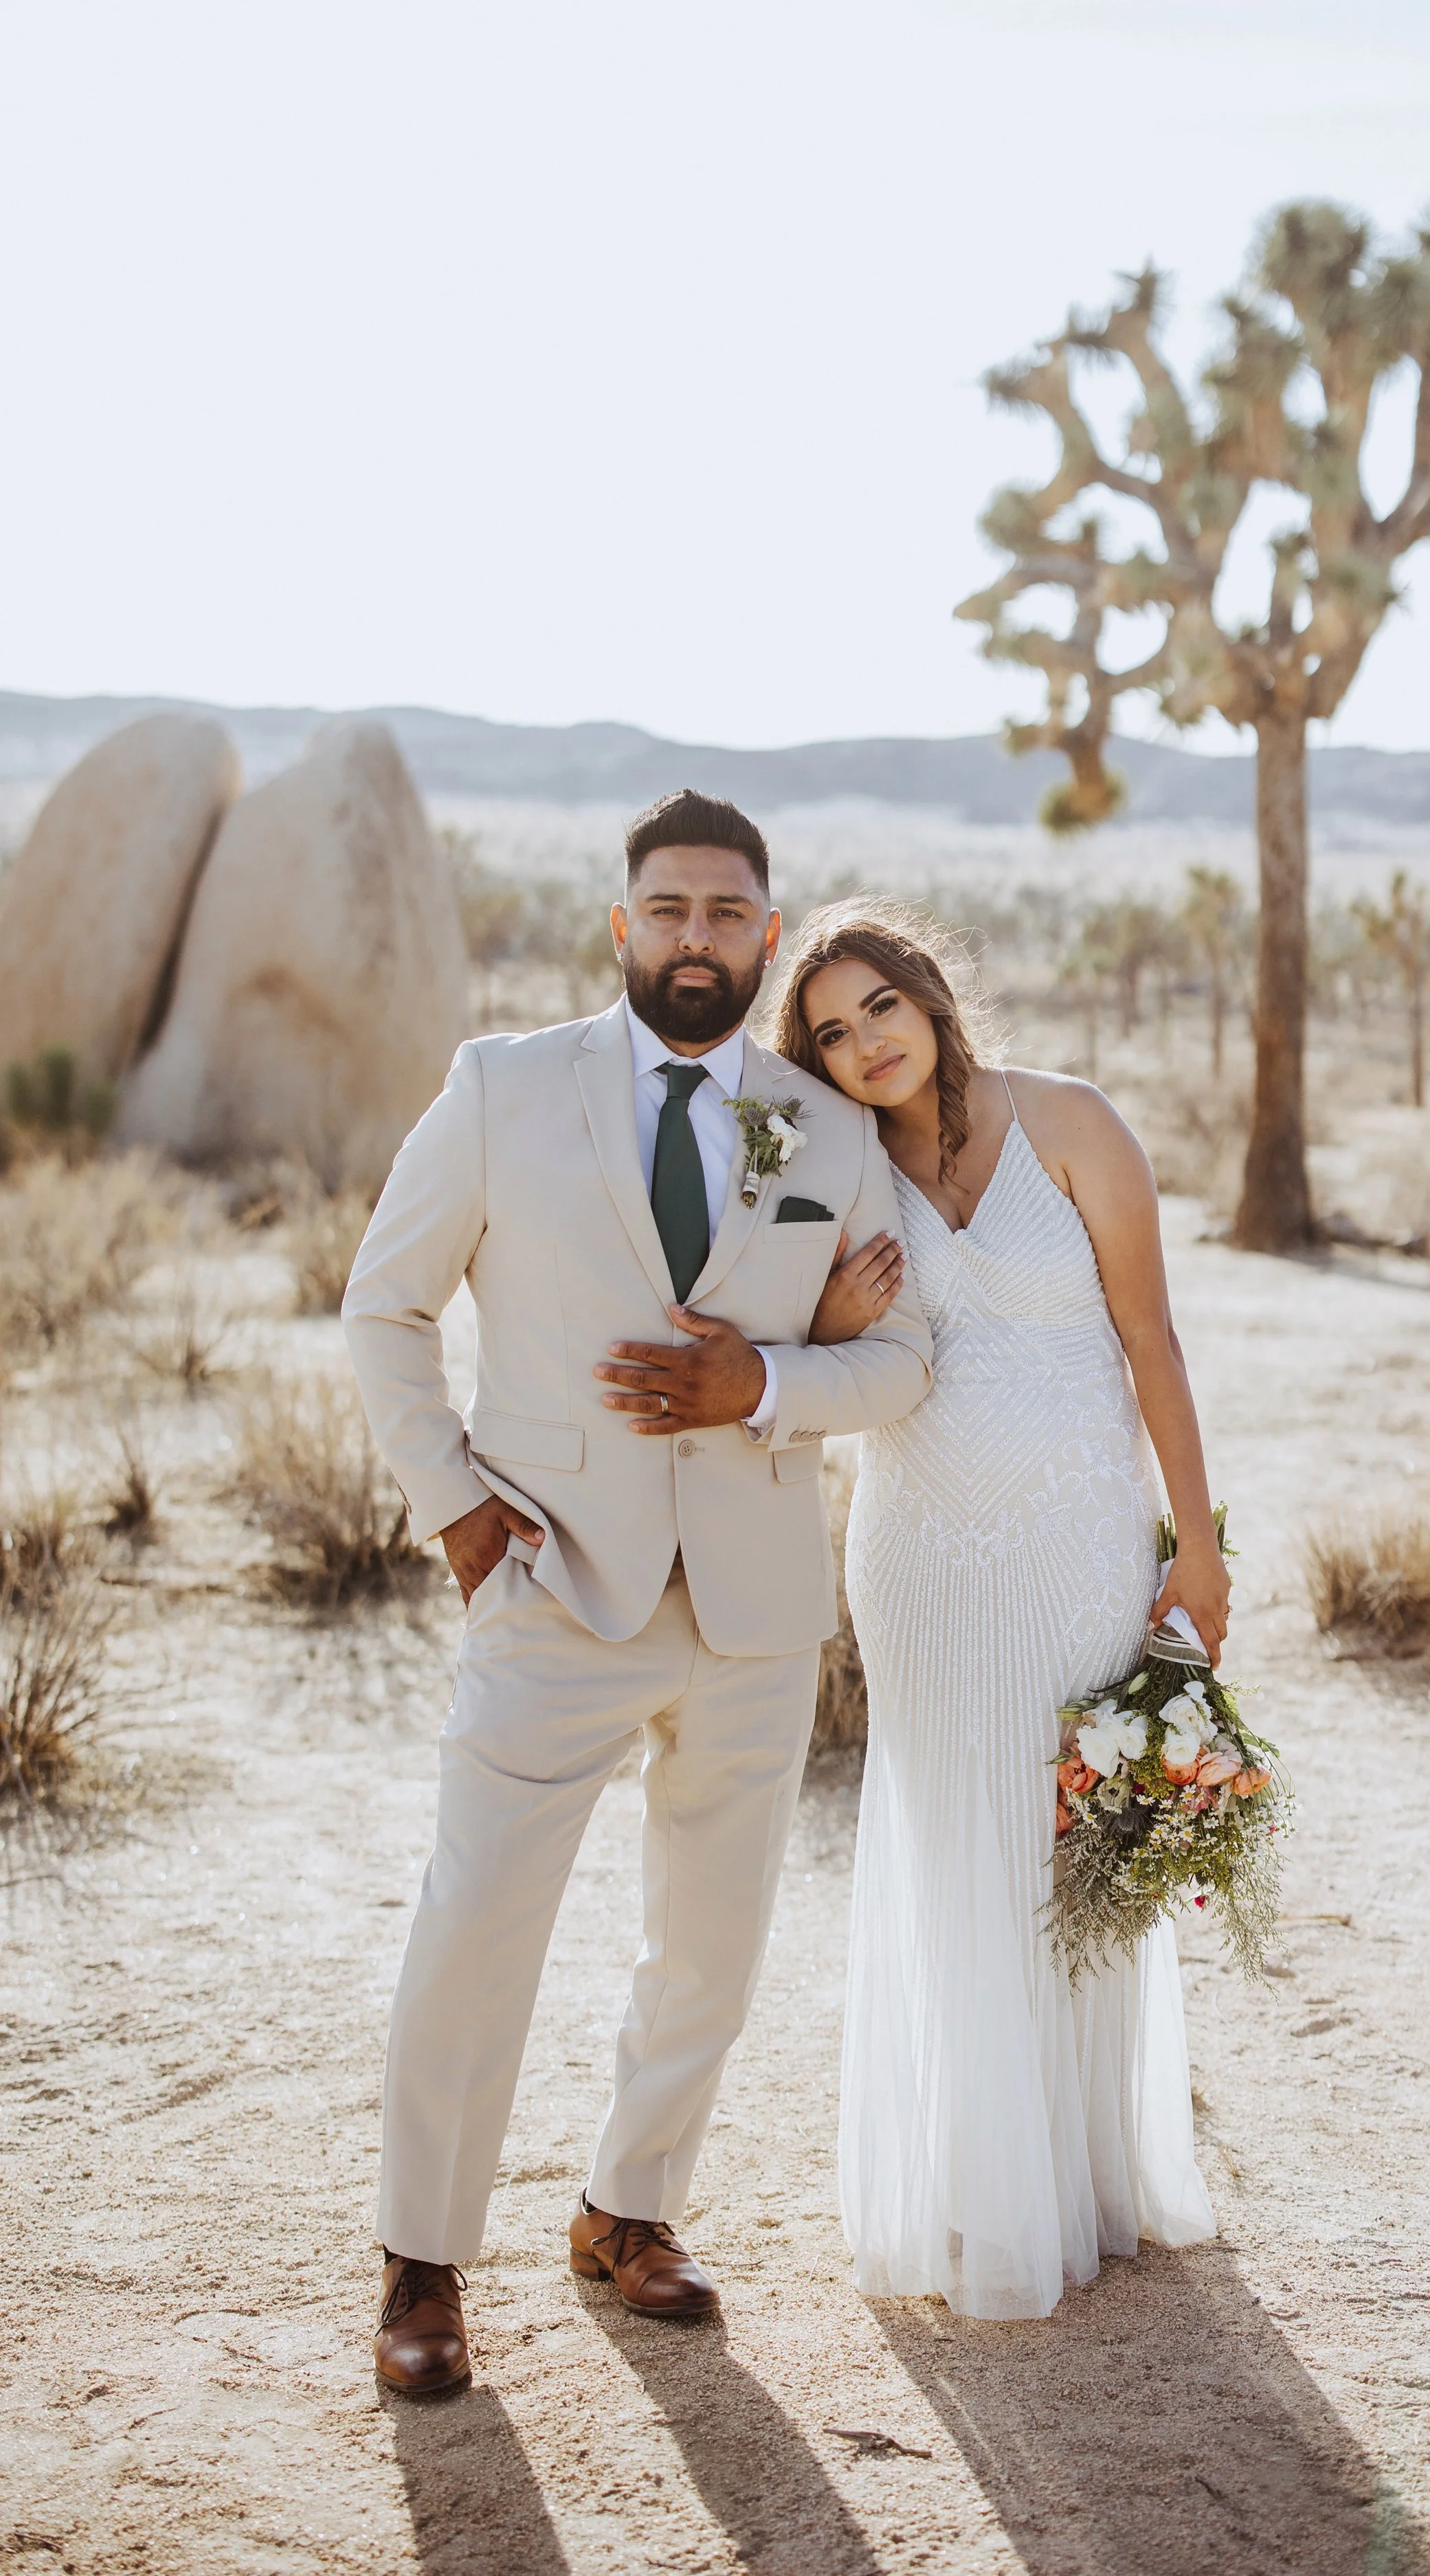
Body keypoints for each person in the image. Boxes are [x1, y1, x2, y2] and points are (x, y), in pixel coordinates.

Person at [343, 794, 931, 2394]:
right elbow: (384, 1310)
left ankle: (629, 2209)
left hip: (753, 1601)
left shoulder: (826, 1130)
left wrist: (766, 1383)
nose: (694, 937)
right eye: (667, 908)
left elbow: (899, 1361)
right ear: (622, 925)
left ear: (765, 932)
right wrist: (460, 1514)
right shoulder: (502, 1089)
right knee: (475, 1922)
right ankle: (421, 2263)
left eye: (726, 912)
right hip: (549, 1578)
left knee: (711, 1941)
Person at [772, 900, 1224, 2320]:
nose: (864, 1045)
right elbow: (792, 1348)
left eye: (879, 1008)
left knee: (1069, 1838)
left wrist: (1198, 1550)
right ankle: (982, 2184)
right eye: (831, 1035)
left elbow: (1150, 1341)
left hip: (1081, 1544)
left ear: (929, 996)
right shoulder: (837, 1172)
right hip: (918, 1557)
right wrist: (831, 1320)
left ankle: (1083, 2173)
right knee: (958, 1841)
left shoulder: (1071, 1124)